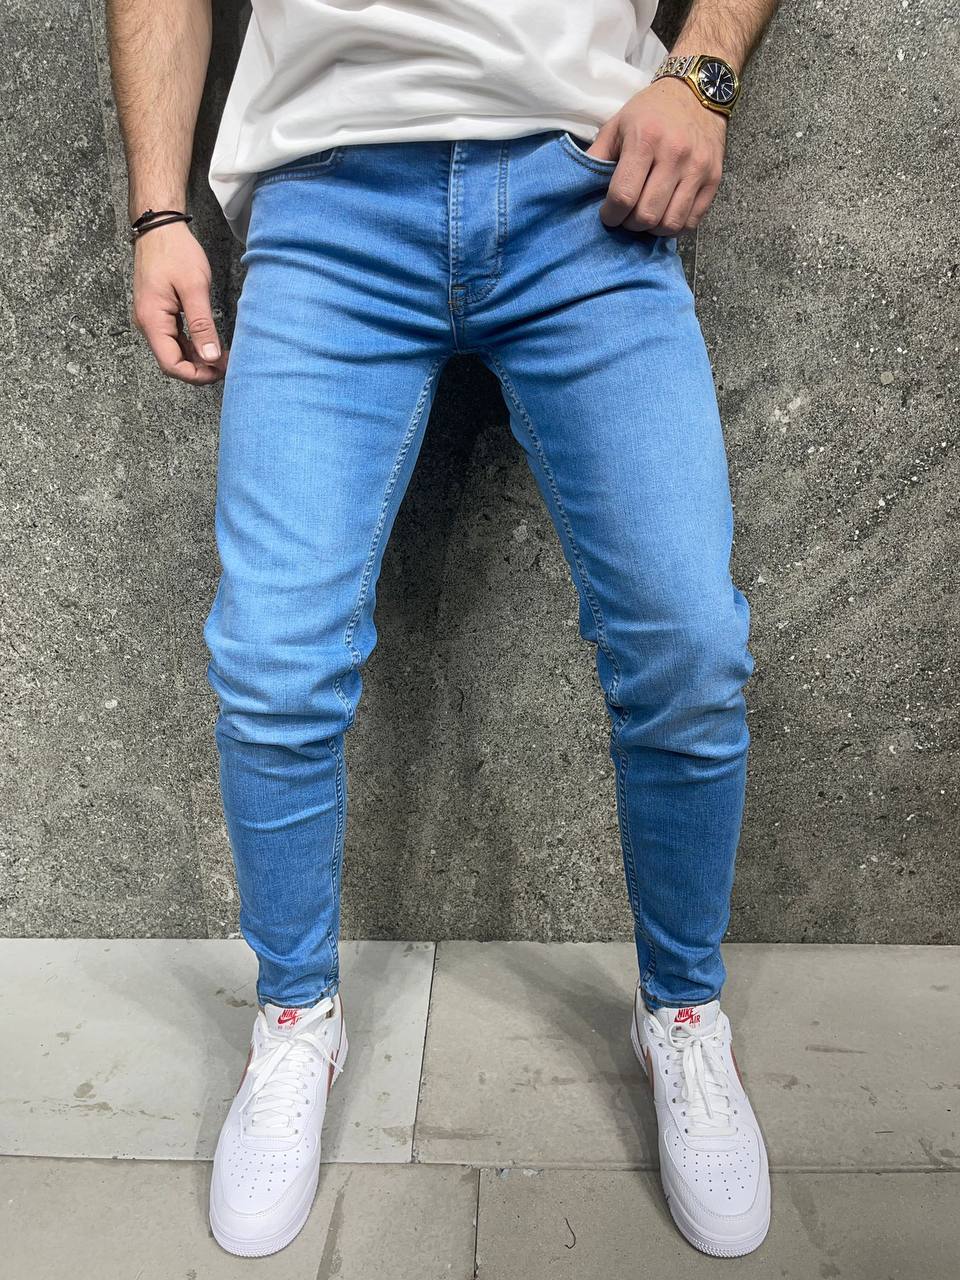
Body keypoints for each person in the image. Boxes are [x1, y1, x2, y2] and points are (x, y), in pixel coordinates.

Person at [108, 0, 780, 1261]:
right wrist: (157, 211)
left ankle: (684, 1014)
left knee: (691, 645)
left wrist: (704, 73)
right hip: (328, 197)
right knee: (272, 661)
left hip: (588, 185)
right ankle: (296, 1018)